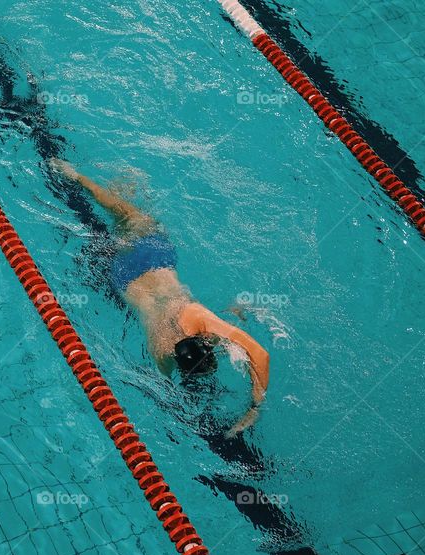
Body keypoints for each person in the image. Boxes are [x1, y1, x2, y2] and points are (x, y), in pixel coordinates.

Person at [51, 159, 269, 436]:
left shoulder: (194, 317)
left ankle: (78, 177)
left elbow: (258, 352)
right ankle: (96, 187)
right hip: (122, 278)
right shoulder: (161, 353)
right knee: (108, 229)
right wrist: (253, 407)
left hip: (154, 258)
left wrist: (256, 404)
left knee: (127, 213)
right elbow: (255, 355)